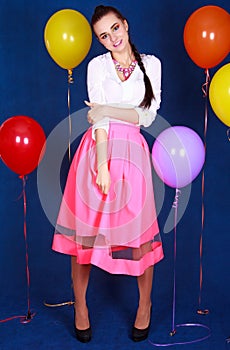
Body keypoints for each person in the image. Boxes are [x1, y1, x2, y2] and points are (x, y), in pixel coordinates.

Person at [52, 5, 164, 343]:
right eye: (104, 35)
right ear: (99, 40)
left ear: (125, 26)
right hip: (96, 154)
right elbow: (98, 121)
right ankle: (81, 307)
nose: (112, 38)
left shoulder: (152, 64)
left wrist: (106, 109)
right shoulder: (97, 66)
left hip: (133, 156)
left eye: (115, 29)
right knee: (84, 238)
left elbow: (147, 116)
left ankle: (145, 306)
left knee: (139, 238)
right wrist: (101, 165)